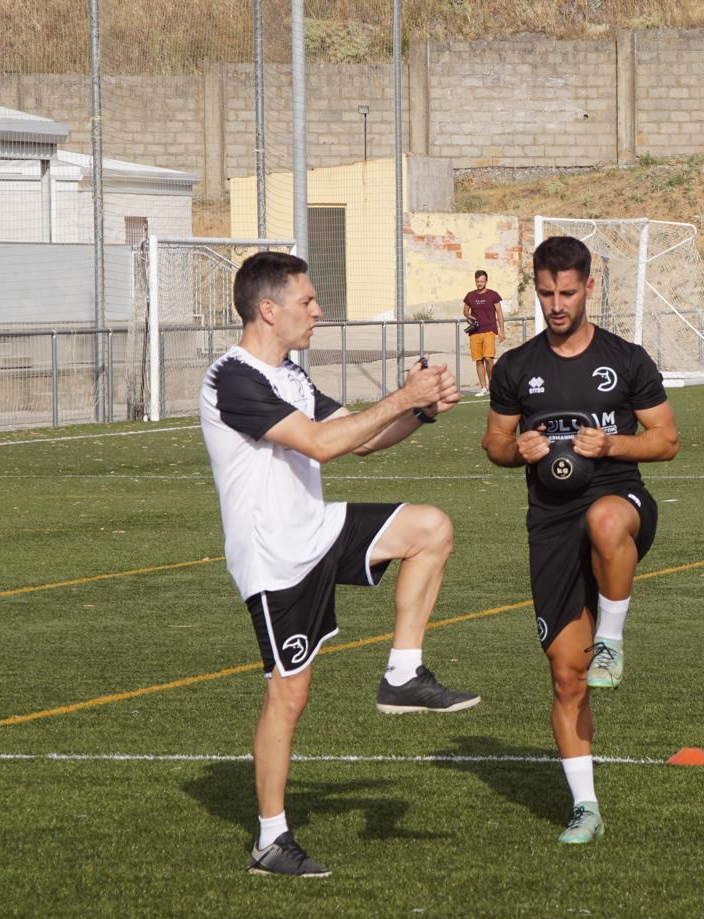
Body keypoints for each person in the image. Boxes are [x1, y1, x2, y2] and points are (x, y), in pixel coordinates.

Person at [200, 251, 479, 878]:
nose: (317, 310)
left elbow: (359, 435)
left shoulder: (290, 375)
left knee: (430, 527)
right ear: (269, 310)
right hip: (275, 558)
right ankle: (270, 840)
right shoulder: (233, 378)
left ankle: (402, 676)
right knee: (288, 696)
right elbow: (323, 446)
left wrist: (420, 410)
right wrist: (402, 396)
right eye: (307, 301)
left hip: (317, 528)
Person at [481, 236, 679, 845]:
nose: (556, 304)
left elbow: (667, 440)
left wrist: (612, 444)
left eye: (567, 293)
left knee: (605, 520)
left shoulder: (626, 359)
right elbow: (493, 445)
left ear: (588, 287)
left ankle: (612, 642)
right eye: (545, 293)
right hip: (550, 524)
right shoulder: (517, 367)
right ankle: (585, 807)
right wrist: (518, 450)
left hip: (622, 504)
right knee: (567, 676)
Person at [462, 269, 505, 397]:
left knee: (488, 358)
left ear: (486, 281)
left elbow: (499, 313)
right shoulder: (470, 295)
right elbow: (465, 310)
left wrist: (501, 330)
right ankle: (483, 387)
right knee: (479, 360)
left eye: (481, 281)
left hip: (489, 330)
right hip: (475, 332)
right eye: (477, 281)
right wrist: (468, 316)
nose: (479, 283)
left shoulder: (493, 295)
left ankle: (493, 386)